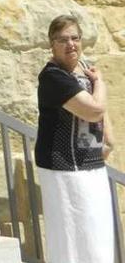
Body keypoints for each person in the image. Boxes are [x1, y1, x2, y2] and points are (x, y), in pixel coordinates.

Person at [35, 15, 115, 263]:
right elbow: (93, 109)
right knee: (71, 238)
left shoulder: (84, 68)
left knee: (97, 235)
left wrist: (109, 142)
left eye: (75, 38)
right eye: (63, 40)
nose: (71, 44)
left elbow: (100, 113)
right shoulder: (53, 77)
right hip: (63, 168)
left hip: (91, 165)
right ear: (52, 44)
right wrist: (100, 82)